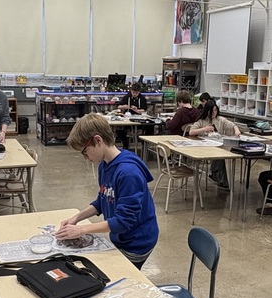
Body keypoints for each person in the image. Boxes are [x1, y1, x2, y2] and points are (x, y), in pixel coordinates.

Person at [57, 113, 159, 270]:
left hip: (137, 243)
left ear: (98, 140)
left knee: (109, 274)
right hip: (122, 236)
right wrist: (76, 217)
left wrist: (82, 230)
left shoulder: (128, 173)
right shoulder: (104, 164)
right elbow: (103, 199)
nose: (85, 158)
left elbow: (124, 221)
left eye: (84, 151)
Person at [184, 101, 240, 189]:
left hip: (217, 145)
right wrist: (204, 129)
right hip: (204, 147)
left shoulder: (220, 120)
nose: (214, 112)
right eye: (212, 111)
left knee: (222, 153)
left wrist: (236, 130)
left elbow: (232, 125)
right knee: (219, 154)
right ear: (207, 111)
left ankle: (219, 177)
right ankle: (216, 175)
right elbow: (191, 132)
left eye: (215, 110)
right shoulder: (202, 121)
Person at [116, 83, 153, 149]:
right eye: (133, 92)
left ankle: (144, 144)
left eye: (136, 93)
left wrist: (137, 110)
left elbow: (144, 109)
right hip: (127, 119)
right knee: (118, 128)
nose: (134, 94)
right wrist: (124, 106)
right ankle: (125, 144)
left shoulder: (142, 98)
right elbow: (119, 106)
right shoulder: (127, 97)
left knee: (150, 126)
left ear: (139, 92)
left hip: (139, 119)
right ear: (131, 91)